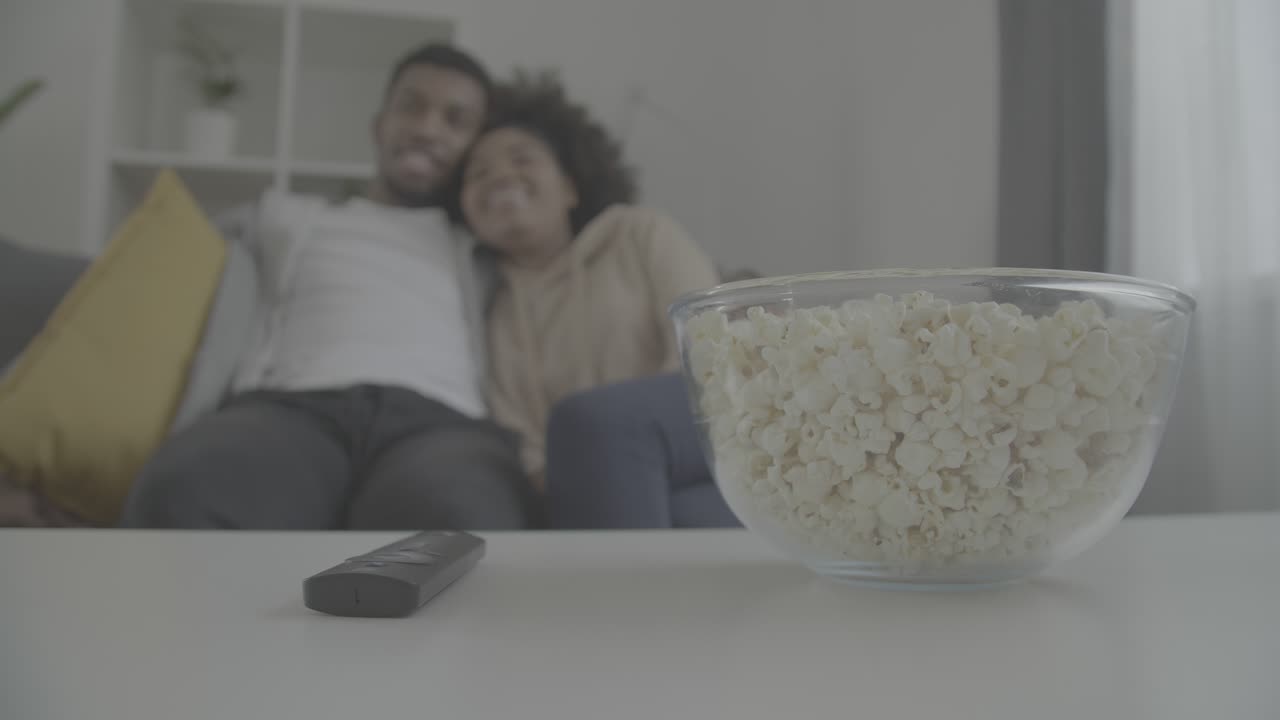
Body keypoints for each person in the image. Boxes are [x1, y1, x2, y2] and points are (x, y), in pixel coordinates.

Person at [120, 44, 531, 530]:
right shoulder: (282, 216)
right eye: (412, 106)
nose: (427, 128)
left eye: (455, 120)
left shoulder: (484, 249)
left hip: (442, 426)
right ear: (380, 124)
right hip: (290, 409)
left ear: (476, 147)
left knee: (469, 523)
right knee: (180, 492)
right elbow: (138, 279)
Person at [452, 73, 721, 497]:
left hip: (699, 434)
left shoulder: (639, 232)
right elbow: (523, 442)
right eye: (478, 173)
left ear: (569, 188)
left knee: (591, 426)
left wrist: (624, 439)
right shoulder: (493, 309)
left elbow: (708, 346)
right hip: (592, 483)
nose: (500, 175)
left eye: (522, 159)